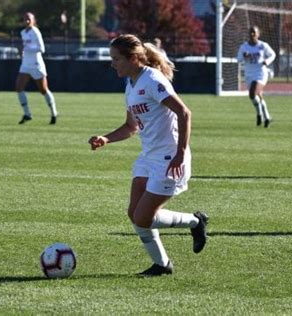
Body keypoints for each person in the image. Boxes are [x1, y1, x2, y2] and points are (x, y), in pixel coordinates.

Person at [88, 34, 208, 277]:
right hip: (148, 157)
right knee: (134, 214)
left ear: (133, 58)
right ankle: (162, 265)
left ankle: (196, 222)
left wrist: (180, 152)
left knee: (143, 218)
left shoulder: (152, 79)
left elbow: (184, 113)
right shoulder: (131, 84)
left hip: (169, 158)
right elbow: (131, 127)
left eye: (117, 59)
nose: (113, 64)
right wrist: (106, 138)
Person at [15, 12, 58, 125]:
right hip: (25, 64)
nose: (27, 21)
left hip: (36, 64)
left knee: (43, 90)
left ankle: (54, 113)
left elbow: (41, 49)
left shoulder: (35, 32)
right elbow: (25, 47)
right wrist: (21, 51)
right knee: (19, 88)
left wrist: (27, 49)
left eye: (29, 19)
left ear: (33, 20)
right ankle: (27, 114)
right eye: (25, 19)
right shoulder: (23, 32)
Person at [237, 26, 276, 128]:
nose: (252, 34)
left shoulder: (263, 46)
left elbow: (273, 55)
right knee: (258, 97)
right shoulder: (244, 47)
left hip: (261, 73)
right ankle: (267, 117)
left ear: (258, 34)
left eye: (254, 32)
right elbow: (238, 58)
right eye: (251, 32)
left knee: (252, 94)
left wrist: (266, 61)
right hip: (249, 74)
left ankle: (259, 114)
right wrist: (244, 56)